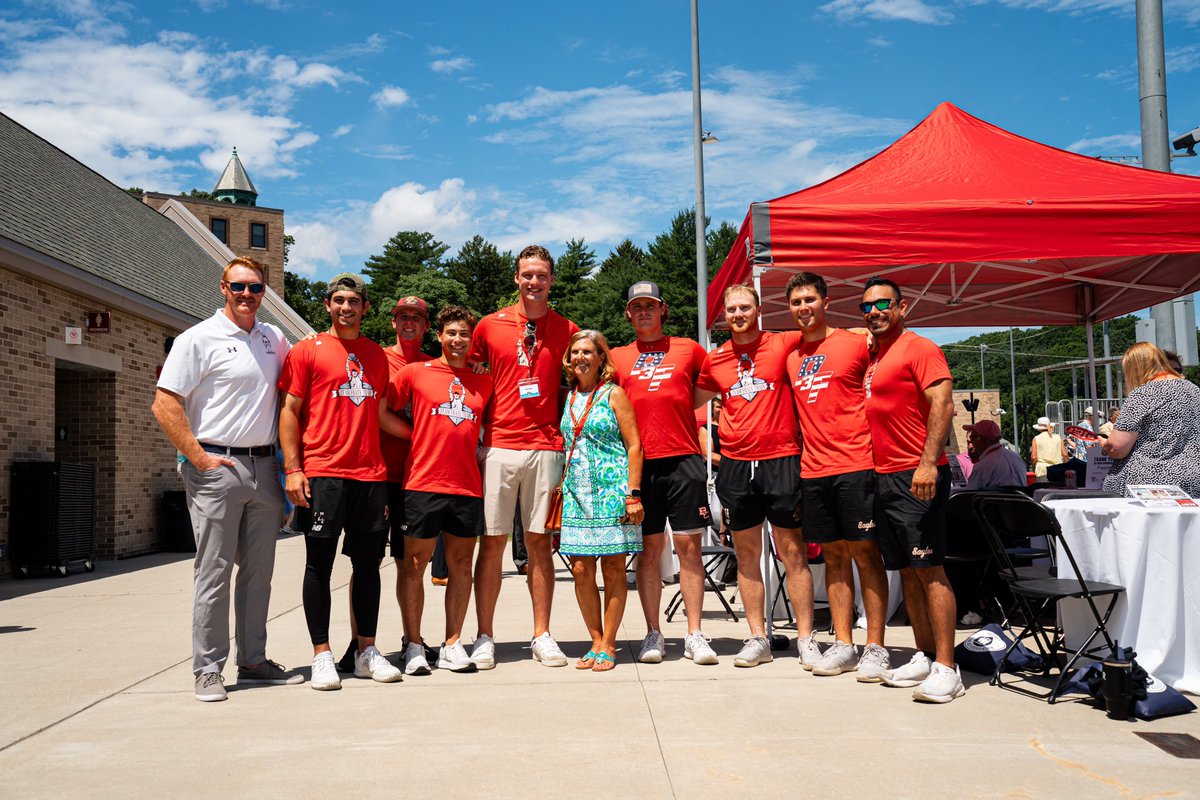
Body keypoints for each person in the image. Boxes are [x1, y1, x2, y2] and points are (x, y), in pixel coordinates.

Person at [153, 256, 302, 702]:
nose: (246, 296)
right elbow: (165, 403)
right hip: (217, 466)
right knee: (213, 571)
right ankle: (208, 669)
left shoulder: (275, 338)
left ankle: (253, 660)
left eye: (255, 288)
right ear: (223, 287)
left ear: (265, 291)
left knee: (259, 573)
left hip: (265, 468)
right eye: (238, 287)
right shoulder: (198, 339)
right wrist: (198, 458)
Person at [279, 273, 408, 691]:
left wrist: (428, 431)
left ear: (365, 307)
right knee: (318, 565)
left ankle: (367, 651)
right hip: (323, 472)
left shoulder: (375, 355)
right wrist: (294, 469)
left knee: (368, 565)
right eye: (339, 300)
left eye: (354, 300)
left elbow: (384, 413)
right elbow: (289, 411)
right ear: (327, 304)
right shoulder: (308, 349)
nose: (346, 307)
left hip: (370, 476)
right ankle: (321, 655)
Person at [468, 245, 580, 669]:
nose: (534, 282)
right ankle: (484, 636)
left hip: (546, 446)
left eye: (542, 275)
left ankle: (541, 634)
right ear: (516, 278)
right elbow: (472, 373)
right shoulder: (489, 326)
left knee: (540, 546)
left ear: (551, 280)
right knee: (492, 544)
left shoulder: (568, 328)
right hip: (498, 444)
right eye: (527, 275)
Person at [694, 283, 817, 669]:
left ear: (759, 309)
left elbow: (829, 338)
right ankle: (757, 638)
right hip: (735, 464)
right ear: (724, 315)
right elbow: (686, 401)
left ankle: (806, 639)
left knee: (792, 553)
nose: (738, 315)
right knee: (746, 555)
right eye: (731, 310)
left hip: (781, 459)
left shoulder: (782, 343)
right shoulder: (715, 360)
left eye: (744, 307)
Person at [783, 273, 892, 682]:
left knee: (866, 554)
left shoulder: (856, 341)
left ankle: (876, 647)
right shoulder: (792, 354)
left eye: (809, 299)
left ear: (826, 301)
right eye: (796, 302)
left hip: (857, 464)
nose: (803, 307)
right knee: (833, 558)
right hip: (813, 469)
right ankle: (843, 643)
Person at [860, 277, 964, 703]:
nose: (874, 311)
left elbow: (944, 403)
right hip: (883, 476)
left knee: (930, 569)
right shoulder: (876, 356)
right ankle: (923, 655)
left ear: (903, 307)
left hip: (916, 475)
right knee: (905, 570)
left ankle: (947, 667)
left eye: (883, 304)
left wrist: (927, 464)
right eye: (866, 306)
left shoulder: (919, 348)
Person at [610, 281, 719, 666]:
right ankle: (653, 632)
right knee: (649, 550)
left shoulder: (688, 348)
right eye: (637, 306)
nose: (644, 312)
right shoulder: (617, 356)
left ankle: (694, 633)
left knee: (689, 548)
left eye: (650, 306)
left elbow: (711, 384)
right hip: (640, 465)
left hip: (684, 459)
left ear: (663, 310)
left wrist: (683, 412)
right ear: (628, 312)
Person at [336, 295, 435, 674]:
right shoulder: (377, 358)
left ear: (426, 326)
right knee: (367, 562)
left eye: (417, 318)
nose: (409, 323)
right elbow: (374, 413)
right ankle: (360, 643)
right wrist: (422, 435)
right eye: (403, 317)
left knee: (411, 563)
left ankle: (414, 641)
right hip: (377, 474)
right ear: (393, 322)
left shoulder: (435, 365)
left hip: (418, 478)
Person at [393, 306, 494, 675]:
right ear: (439, 335)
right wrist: (414, 435)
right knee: (415, 566)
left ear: (472, 340)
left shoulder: (484, 381)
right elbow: (383, 411)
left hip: (466, 485)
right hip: (422, 482)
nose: (457, 340)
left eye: (464, 334)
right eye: (451, 332)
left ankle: (453, 643)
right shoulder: (415, 373)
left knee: (461, 566)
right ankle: (415, 645)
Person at [559, 330, 644, 671]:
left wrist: (633, 494)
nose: (581, 357)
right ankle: (594, 640)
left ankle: (609, 643)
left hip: (613, 496)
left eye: (588, 352)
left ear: (600, 358)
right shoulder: (568, 398)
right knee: (580, 569)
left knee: (612, 568)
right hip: (577, 496)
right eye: (575, 352)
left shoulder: (614, 394)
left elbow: (635, 445)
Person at [1102, 342, 1200, 496]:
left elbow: (1117, 447)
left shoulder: (1143, 394)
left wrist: (1105, 444)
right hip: (1193, 482)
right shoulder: (1195, 392)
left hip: (1150, 487)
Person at [964, 420, 1028, 490]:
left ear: (981, 439)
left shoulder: (982, 466)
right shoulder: (1016, 458)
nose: (971, 442)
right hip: (1020, 500)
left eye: (972, 438)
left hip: (994, 501)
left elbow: (969, 494)